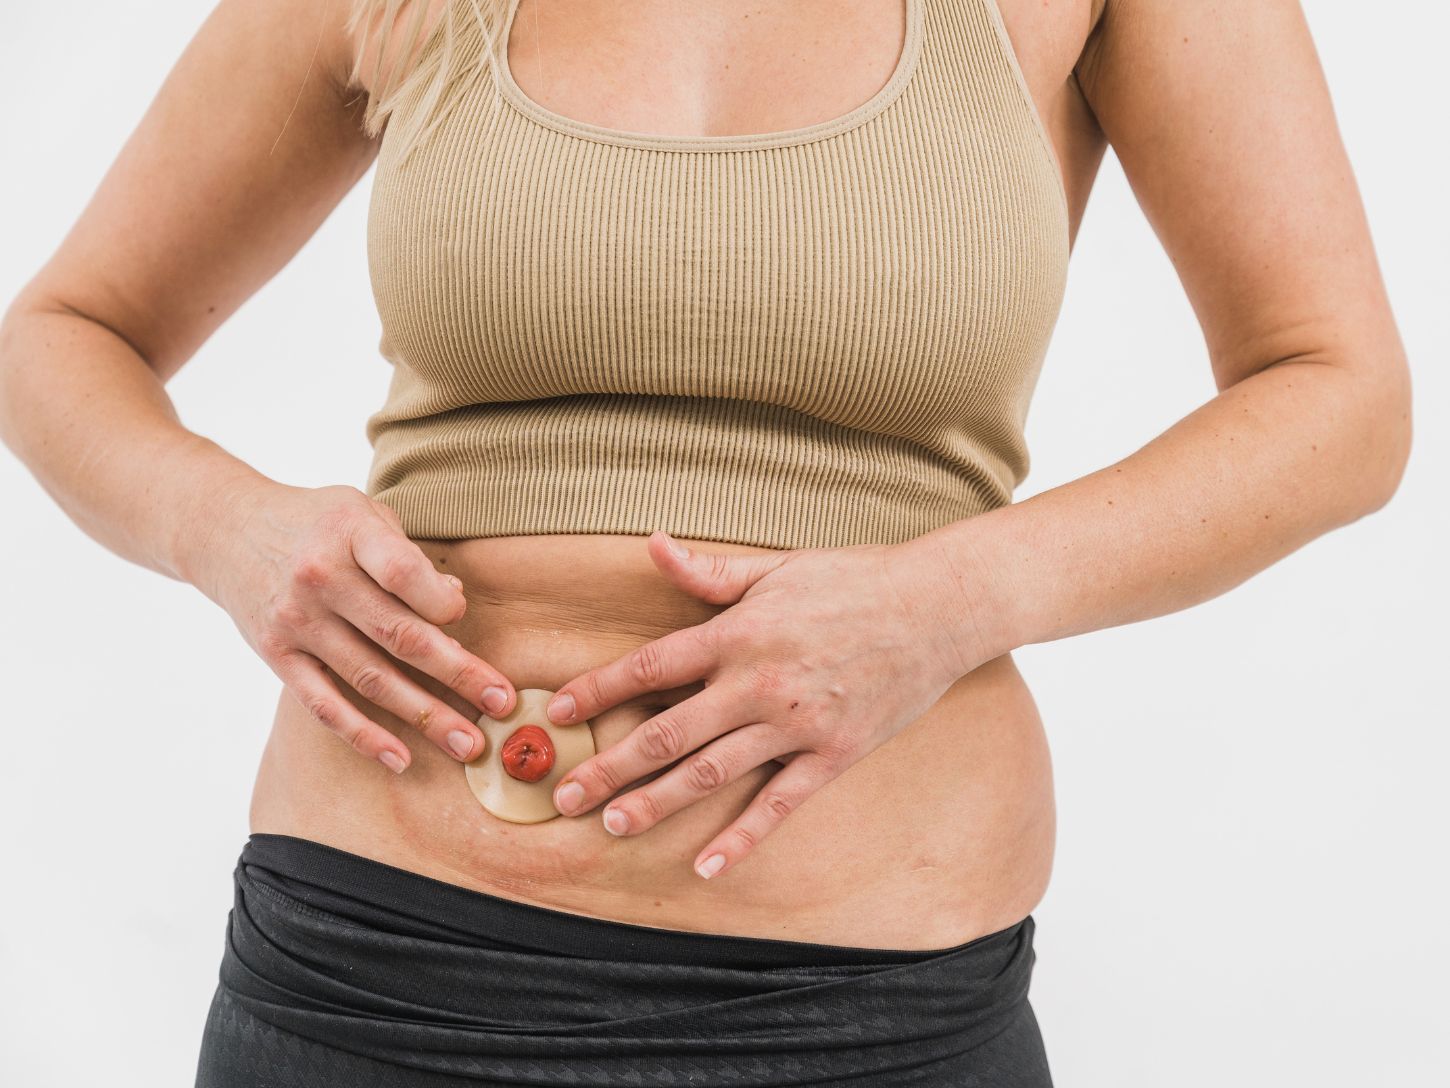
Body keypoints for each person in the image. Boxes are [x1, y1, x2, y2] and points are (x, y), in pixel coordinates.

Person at [0, 0, 1412, 1084]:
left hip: (866, 1006)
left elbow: (1335, 395)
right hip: (370, 963)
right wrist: (221, 528)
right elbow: (65, 335)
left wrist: (957, 595)